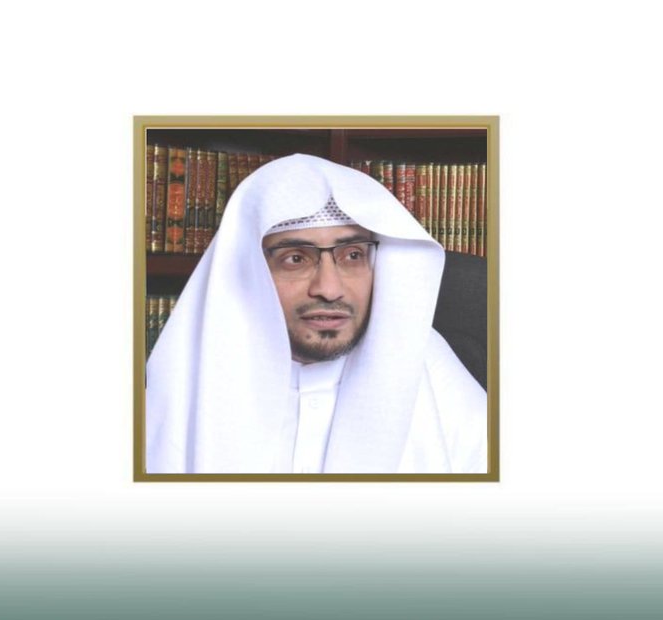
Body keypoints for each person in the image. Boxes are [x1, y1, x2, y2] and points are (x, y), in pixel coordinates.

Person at [145, 153, 486, 473]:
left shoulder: (429, 368)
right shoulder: (187, 380)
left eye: (352, 255)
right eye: (295, 258)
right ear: (251, 271)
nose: (329, 288)